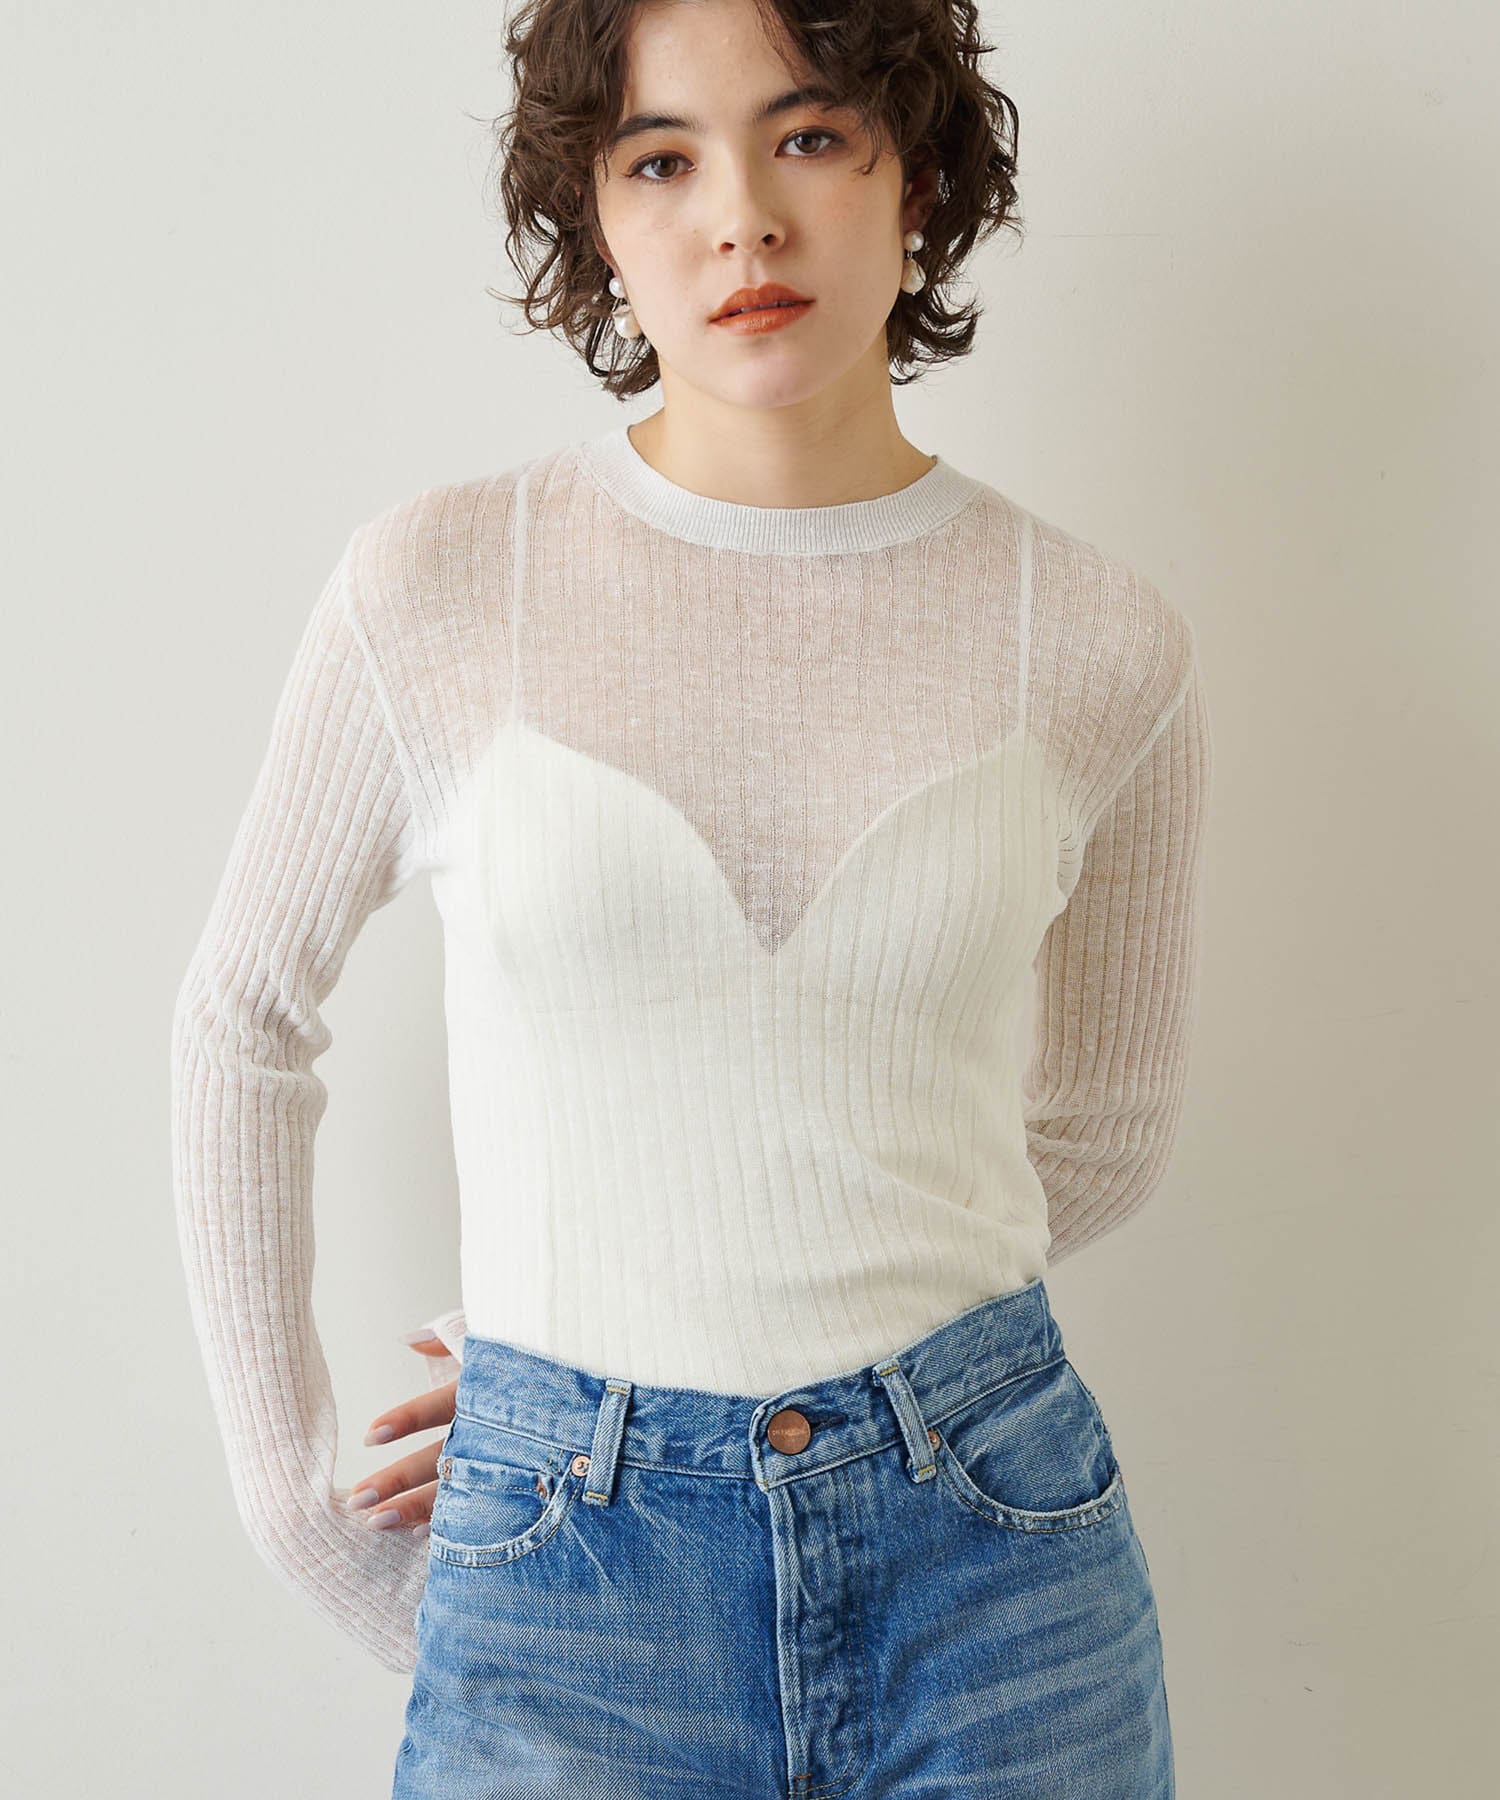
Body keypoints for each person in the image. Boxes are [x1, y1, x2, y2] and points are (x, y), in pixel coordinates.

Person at [170, 0, 1211, 1792]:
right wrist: (309, 1503)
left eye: (810, 136)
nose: (743, 219)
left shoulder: (1099, 639)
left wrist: (753, 1299)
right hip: (564, 1576)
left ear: (917, 172)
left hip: (996, 1564)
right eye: (663, 160)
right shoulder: (441, 585)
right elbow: (240, 1023)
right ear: (595, 214)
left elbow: (1105, 1134)